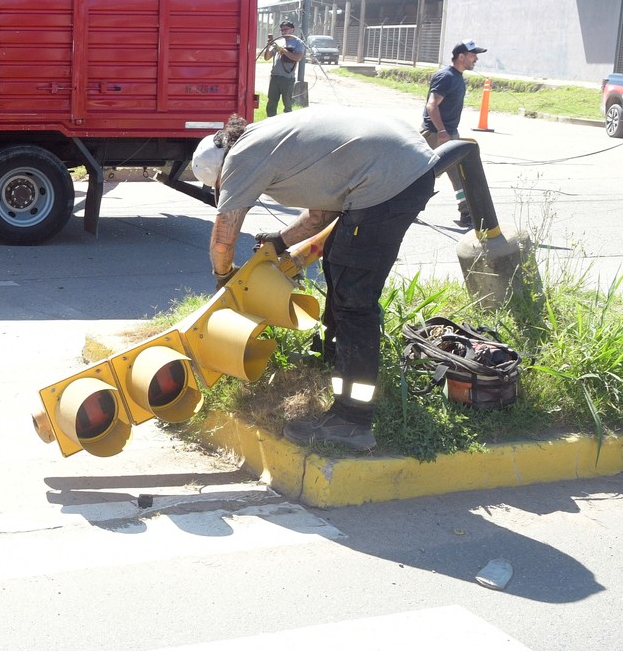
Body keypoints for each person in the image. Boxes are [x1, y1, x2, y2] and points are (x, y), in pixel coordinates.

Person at [189, 108, 441, 451]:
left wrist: (223, 276)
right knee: (340, 263)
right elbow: (322, 213)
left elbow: (223, 237)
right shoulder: (266, 138)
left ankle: (353, 420)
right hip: (398, 162)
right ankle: (332, 361)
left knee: (354, 300)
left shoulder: (239, 159)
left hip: (388, 181)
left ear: (219, 175)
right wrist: (279, 242)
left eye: (222, 186)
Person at [420, 40, 485, 226]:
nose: (476, 58)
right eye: (473, 55)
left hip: (448, 134)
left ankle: (466, 213)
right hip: (434, 134)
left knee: (459, 174)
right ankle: (402, 207)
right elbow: (432, 105)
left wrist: (447, 132)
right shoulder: (446, 76)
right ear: (461, 56)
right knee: (420, 174)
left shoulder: (457, 76)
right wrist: (441, 130)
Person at [264, 21, 306, 117]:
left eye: (285, 29)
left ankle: (287, 124)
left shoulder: (298, 43)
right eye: (282, 30)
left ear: (292, 30)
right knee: (271, 102)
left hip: (287, 78)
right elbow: (267, 57)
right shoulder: (279, 41)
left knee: (287, 104)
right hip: (275, 77)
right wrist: (269, 46)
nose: (283, 32)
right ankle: (270, 122)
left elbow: (297, 58)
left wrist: (283, 50)